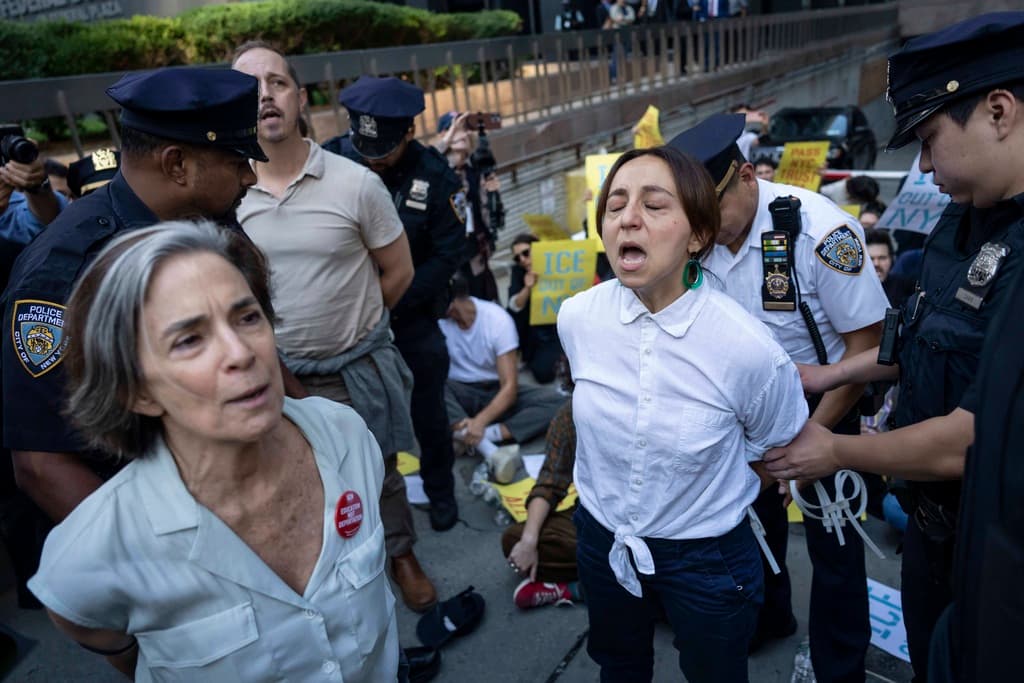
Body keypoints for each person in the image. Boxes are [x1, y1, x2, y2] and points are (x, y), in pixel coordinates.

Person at [763, 13, 1024, 681]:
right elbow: (916, 341)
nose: (925, 167)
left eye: (931, 140)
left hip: (995, 551)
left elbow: (976, 435)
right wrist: (828, 374)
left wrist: (838, 449)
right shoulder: (962, 216)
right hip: (930, 533)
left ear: (998, 111)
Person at [28, 220, 397, 681]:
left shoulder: (344, 434)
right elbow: (95, 630)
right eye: (189, 340)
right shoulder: (93, 550)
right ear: (136, 391)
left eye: (246, 317)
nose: (240, 352)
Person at [2, 65, 265, 596]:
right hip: (164, 531)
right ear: (177, 164)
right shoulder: (61, 274)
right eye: (238, 162)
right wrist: (165, 581)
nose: (251, 178)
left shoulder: (208, 220)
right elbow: (39, 462)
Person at [558, 146, 807, 682]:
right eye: (616, 204)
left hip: (707, 558)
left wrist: (713, 491)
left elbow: (781, 441)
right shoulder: (578, 318)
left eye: (654, 205)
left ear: (697, 236)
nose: (627, 218)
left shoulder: (747, 350)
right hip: (603, 539)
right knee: (618, 665)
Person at [670, 113, 888, 680]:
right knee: (748, 527)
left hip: (826, 410)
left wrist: (817, 435)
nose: (706, 232)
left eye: (712, 213)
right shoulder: (699, 237)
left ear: (746, 177)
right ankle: (769, 618)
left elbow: (868, 349)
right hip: (743, 415)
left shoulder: (820, 232)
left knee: (834, 548)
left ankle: (840, 665)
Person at [230, 44, 436, 612]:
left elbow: (398, 271)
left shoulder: (355, 184)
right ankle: (322, 573)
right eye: (251, 89)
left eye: (277, 83)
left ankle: (400, 554)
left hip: (354, 371)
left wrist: (354, 328)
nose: (265, 95)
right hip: (274, 378)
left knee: (380, 470)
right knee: (295, 484)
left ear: (300, 98)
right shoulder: (225, 196)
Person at [325, 77, 466, 539]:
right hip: (346, 323)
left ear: (408, 131)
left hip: (411, 316)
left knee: (429, 413)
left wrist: (394, 296)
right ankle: (365, 510)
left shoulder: (435, 175)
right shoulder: (332, 159)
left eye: (383, 146)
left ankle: (441, 491)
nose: (372, 156)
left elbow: (449, 252)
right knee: (355, 422)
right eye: (365, 143)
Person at [441, 272, 566, 480]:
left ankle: (471, 437)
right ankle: (488, 449)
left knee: (560, 404)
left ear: (451, 300)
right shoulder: (437, 324)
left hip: (494, 391)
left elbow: (509, 388)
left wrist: (479, 423)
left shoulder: (496, 319)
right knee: (432, 386)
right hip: (458, 391)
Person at [502, 400, 583, 610]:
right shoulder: (572, 412)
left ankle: (576, 590)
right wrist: (529, 541)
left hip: (656, 529)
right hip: (596, 520)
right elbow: (550, 481)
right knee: (516, 540)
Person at [434, 111, 500, 302]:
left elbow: (487, 215)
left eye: (465, 129)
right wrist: (447, 139)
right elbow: (425, 161)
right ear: (443, 135)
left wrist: (492, 192)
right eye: (454, 128)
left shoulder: (475, 171)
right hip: (448, 258)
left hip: (475, 253)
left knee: (484, 303)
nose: (462, 134)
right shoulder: (435, 170)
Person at [507, 233, 563, 384]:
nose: (523, 260)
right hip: (538, 335)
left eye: (526, 253)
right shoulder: (518, 272)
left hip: (561, 325)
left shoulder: (556, 262)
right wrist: (527, 287)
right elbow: (515, 305)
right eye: (517, 257)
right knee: (543, 373)